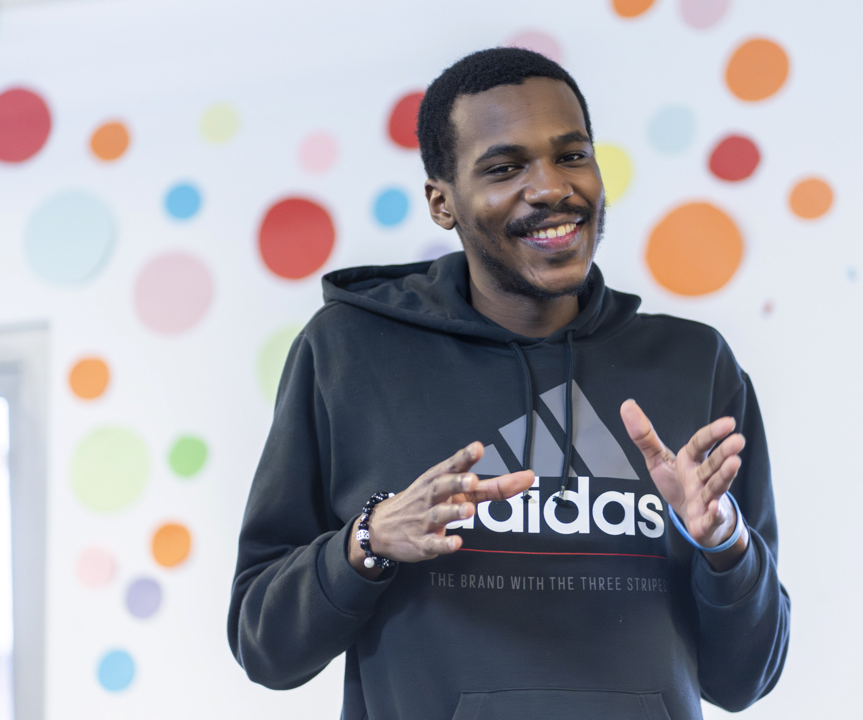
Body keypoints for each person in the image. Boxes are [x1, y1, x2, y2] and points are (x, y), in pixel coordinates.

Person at [228, 47, 790, 719]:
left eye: (572, 155)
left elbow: (745, 679)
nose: (551, 187)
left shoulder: (693, 364)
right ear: (442, 202)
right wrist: (368, 541)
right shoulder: (350, 354)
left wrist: (725, 546)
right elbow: (265, 645)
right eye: (504, 167)